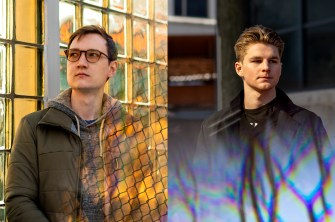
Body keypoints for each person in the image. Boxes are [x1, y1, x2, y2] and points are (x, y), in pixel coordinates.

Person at [171, 25, 335, 221]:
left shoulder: (307, 124)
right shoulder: (213, 127)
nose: (266, 67)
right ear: (239, 68)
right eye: (257, 60)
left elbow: (325, 191)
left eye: (273, 61)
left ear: (280, 68)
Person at [5, 25, 158, 221]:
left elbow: (147, 203)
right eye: (74, 55)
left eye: (92, 55)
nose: (81, 62)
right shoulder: (34, 127)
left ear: (112, 68)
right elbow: (18, 200)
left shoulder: (132, 129)